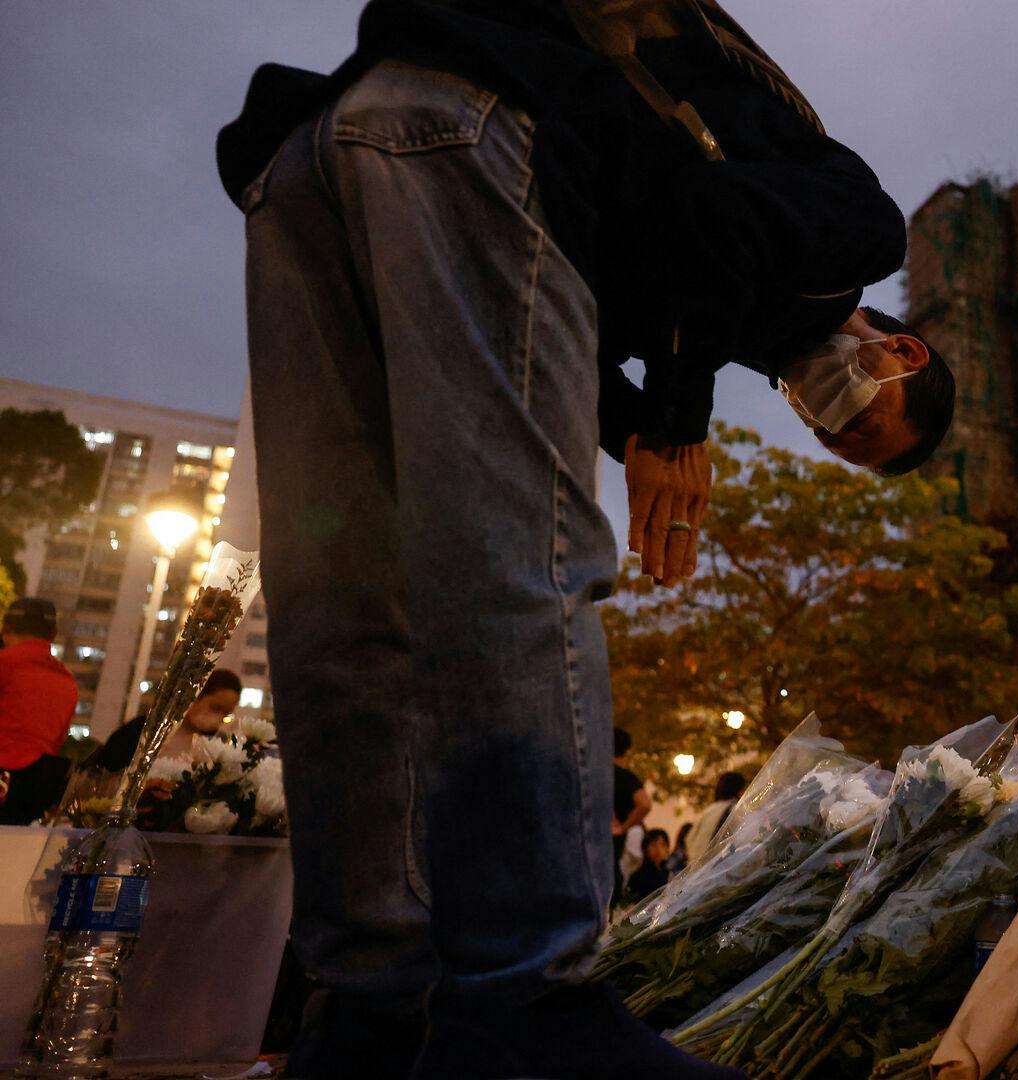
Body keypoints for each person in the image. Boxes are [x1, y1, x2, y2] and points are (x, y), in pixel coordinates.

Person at [215, 1, 952, 1076]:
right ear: (904, 352)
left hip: (318, 158)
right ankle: (528, 1002)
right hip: (479, 131)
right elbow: (716, 221)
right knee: (519, 575)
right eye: (861, 416)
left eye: (837, 441)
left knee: (343, 602)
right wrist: (675, 424)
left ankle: (372, 1005)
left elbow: (570, 340)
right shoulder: (860, 235)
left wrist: (644, 425)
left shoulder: (719, 319)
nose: (830, 422)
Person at [0, 598, 77, 825]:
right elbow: (58, 741)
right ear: (53, 634)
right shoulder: (67, 682)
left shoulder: (4, 663)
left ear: (6, 628)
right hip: (33, 797)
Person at [92, 668, 245, 773]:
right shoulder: (142, 729)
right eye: (215, 707)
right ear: (196, 696)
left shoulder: (214, 748)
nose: (218, 718)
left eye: (226, 713)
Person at [610, 729, 650, 894]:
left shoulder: (601, 774)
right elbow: (645, 804)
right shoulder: (625, 777)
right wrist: (624, 827)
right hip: (612, 848)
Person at [682, 771, 746, 866]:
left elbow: (689, 839)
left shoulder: (708, 810)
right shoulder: (735, 809)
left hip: (697, 868)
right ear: (739, 790)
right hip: (718, 868)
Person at [623, 828, 673, 901]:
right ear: (645, 848)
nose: (658, 849)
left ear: (667, 849)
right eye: (653, 845)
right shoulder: (638, 876)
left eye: (662, 845)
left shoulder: (667, 873)